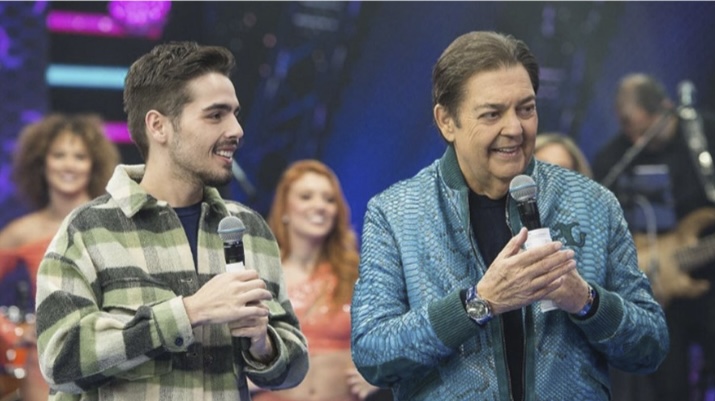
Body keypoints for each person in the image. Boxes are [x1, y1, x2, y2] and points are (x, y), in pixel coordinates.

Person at [350, 31, 668, 401]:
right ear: (446, 121)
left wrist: (585, 300)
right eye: (492, 113)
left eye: (526, 108)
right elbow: (373, 354)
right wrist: (479, 302)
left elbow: (651, 346)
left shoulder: (593, 203)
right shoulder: (395, 214)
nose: (515, 128)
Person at [34, 41, 309, 400]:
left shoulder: (250, 229)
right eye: (216, 115)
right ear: (158, 126)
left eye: (236, 114)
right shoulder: (88, 229)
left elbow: (294, 366)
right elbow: (60, 359)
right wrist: (188, 312)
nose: (237, 129)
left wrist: (262, 344)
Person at [593, 73, 715, 401]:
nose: (635, 140)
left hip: (708, 275)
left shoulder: (704, 134)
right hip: (656, 286)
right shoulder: (615, 157)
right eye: (628, 130)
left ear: (665, 108)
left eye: (641, 129)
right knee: (667, 387)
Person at [0, 113, 120, 401]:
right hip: (44, 372)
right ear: (41, 162)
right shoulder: (22, 232)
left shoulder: (116, 222)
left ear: (93, 165)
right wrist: (12, 331)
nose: (69, 165)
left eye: (79, 156)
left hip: (111, 365)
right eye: (59, 155)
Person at [251, 159, 390, 401]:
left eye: (329, 199)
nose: (320, 206)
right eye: (306, 197)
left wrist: (381, 371)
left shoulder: (358, 273)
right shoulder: (260, 275)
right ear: (284, 208)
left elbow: (398, 334)